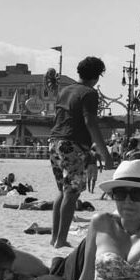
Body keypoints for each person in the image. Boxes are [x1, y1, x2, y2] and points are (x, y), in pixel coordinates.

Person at [48, 56, 114, 249]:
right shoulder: (89, 93)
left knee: (62, 191)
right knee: (72, 193)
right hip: (72, 144)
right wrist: (105, 153)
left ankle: (54, 237)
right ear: (98, 76)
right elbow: (90, 123)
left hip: (54, 142)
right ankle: (61, 239)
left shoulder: (65, 91)